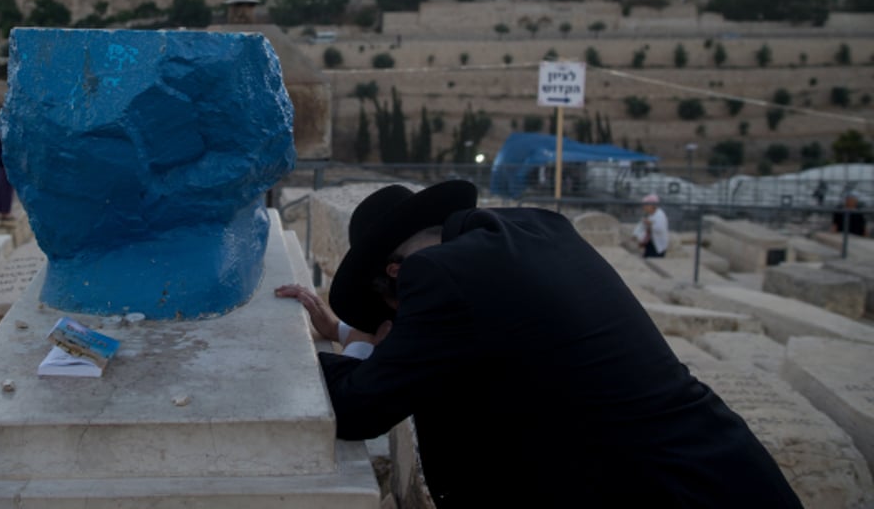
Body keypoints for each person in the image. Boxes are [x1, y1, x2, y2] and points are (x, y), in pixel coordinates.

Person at [277, 181, 802, 508]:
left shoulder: (438, 276)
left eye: (391, 311)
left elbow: (359, 407)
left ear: (394, 273)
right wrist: (353, 334)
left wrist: (316, 354)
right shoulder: (535, 229)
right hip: (725, 471)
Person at [632, 192, 670, 257]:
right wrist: (635, 234)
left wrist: (650, 223)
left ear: (653, 206)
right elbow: (641, 226)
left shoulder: (660, 215)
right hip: (650, 243)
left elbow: (660, 229)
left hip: (657, 246)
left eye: (646, 205)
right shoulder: (650, 215)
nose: (644, 207)